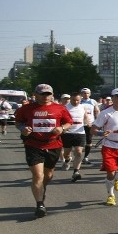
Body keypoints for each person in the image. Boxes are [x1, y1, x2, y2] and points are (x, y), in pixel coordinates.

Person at [14, 84, 73, 218]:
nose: (45, 96)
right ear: (35, 94)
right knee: (38, 175)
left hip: (53, 145)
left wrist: (62, 128)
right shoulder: (27, 108)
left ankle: (42, 189)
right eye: (42, 94)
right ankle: (40, 204)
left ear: (52, 95)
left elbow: (69, 122)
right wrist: (22, 128)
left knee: (48, 175)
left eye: (48, 94)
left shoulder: (60, 108)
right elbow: (18, 122)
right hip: (33, 145)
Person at [62, 92, 92, 182]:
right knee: (67, 153)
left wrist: (88, 123)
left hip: (80, 132)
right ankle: (67, 160)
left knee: (79, 152)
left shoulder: (82, 107)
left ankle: (76, 172)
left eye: (78, 100)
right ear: (70, 99)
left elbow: (85, 117)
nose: (76, 102)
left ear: (80, 100)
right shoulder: (65, 108)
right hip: (68, 133)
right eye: (74, 100)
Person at [79, 88, 101, 166]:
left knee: (89, 141)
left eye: (87, 93)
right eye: (84, 93)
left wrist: (98, 122)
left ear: (90, 93)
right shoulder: (79, 101)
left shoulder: (93, 101)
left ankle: (86, 157)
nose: (86, 94)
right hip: (79, 124)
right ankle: (77, 156)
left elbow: (97, 111)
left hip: (90, 123)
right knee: (79, 142)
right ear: (81, 94)